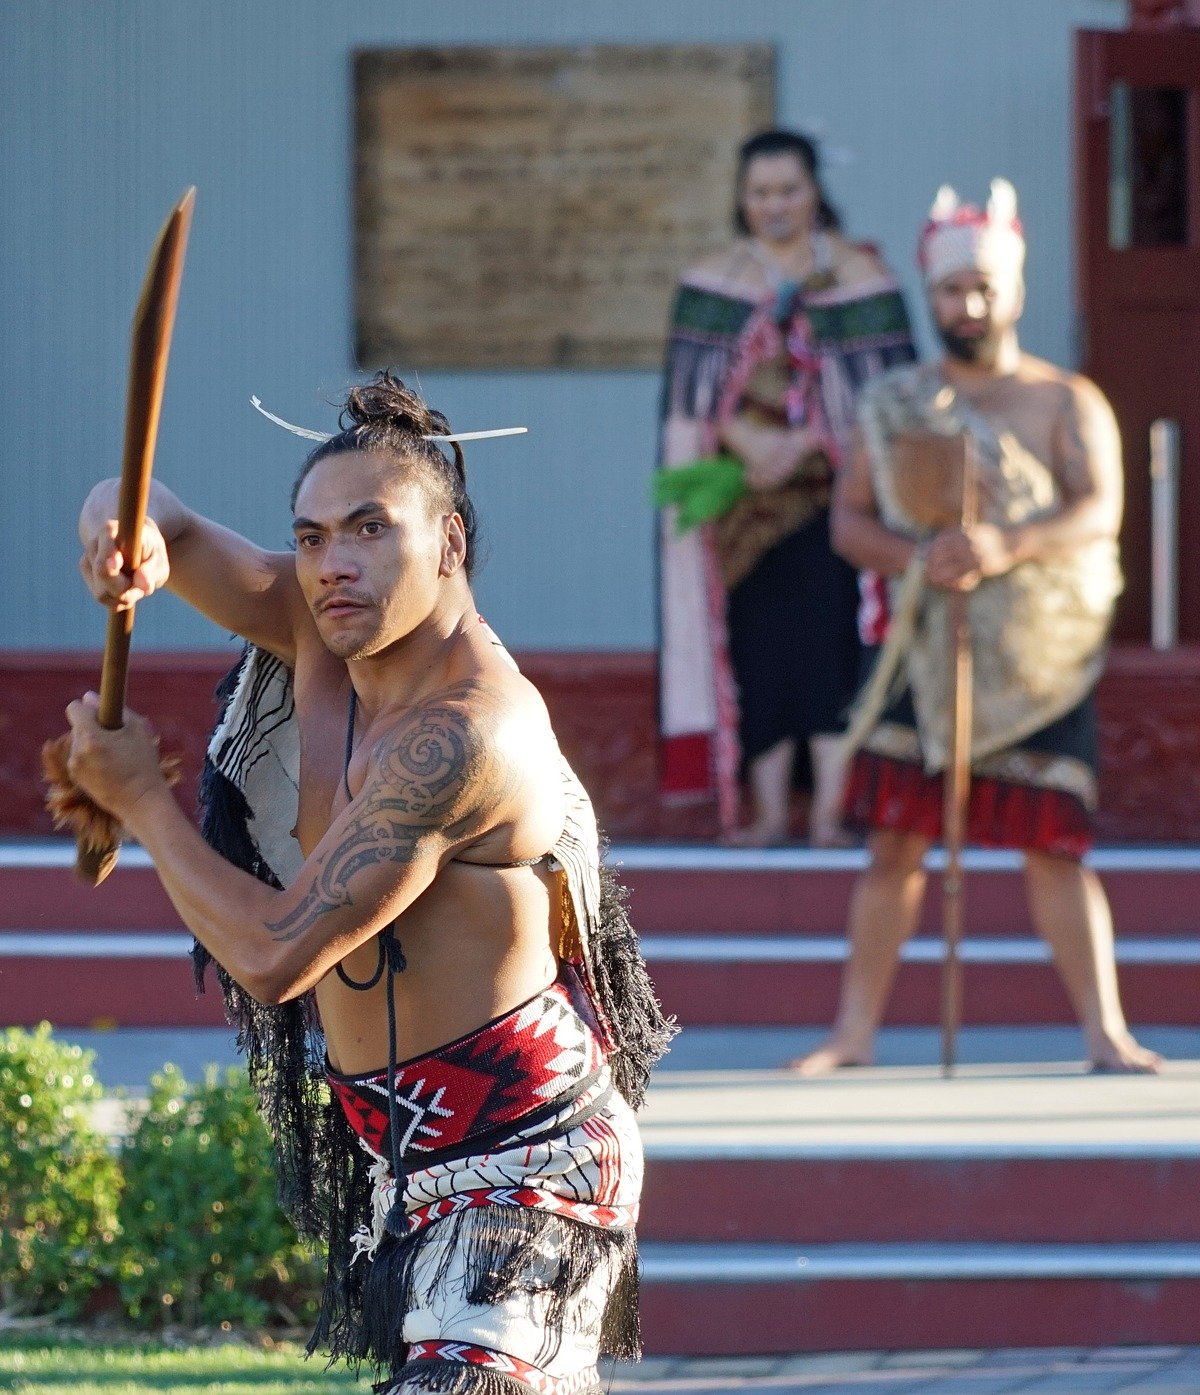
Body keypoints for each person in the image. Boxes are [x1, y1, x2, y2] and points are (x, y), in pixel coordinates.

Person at [57, 374, 673, 1394]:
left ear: (449, 545)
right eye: (309, 538)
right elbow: (141, 502)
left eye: (368, 529)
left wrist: (142, 805)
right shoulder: (323, 630)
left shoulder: (463, 735)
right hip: (414, 1164)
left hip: (531, 1165)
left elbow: (270, 957)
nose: (332, 564)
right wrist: (128, 537)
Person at [791, 181, 1161, 1076]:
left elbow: (1099, 510)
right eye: (954, 290)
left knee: (1054, 844)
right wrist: (926, 558)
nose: (970, 305)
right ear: (933, 295)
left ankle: (1104, 1034)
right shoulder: (897, 401)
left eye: (985, 288)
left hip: (1038, 655)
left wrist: (1004, 543)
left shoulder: (1066, 400)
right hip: (925, 644)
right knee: (896, 844)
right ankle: (854, 1033)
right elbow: (850, 524)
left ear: (1015, 293)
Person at [657, 129, 917, 846]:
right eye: (760, 192)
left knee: (831, 653)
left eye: (789, 190)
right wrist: (745, 440)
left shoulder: (862, 275)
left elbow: (888, 396)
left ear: (815, 193)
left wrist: (804, 439)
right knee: (759, 655)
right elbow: (690, 402)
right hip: (739, 507)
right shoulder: (711, 280)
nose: (774, 205)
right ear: (741, 199)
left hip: (835, 502)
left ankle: (831, 813)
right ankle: (769, 814)